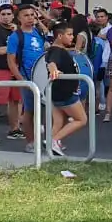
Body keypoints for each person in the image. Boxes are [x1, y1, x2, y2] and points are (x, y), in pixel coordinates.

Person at [6, 5, 49, 151]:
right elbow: (11, 62)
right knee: (29, 110)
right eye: (26, 15)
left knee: (43, 109)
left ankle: (47, 139)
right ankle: (31, 141)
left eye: (32, 15)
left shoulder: (39, 33)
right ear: (18, 18)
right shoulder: (15, 36)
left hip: (41, 75)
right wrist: (21, 79)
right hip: (26, 76)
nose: (30, 18)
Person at [43, 20, 88, 157]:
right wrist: (54, 70)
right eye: (69, 34)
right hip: (65, 92)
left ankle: (52, 146)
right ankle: (54, 141)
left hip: (56, 92)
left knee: (58, 121)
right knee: (81, 119)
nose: (72, 37)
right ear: (59, 36)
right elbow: (52, 63)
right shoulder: (57, 51)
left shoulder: (55, 49)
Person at [0, 5, 24, 140]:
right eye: (3, 14)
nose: (6, 17)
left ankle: (15, 128)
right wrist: (15, 45)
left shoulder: (17, 31)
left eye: (9, 14)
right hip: (1, 69)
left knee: (16, 100)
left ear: (13, 16)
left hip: (16, 68)